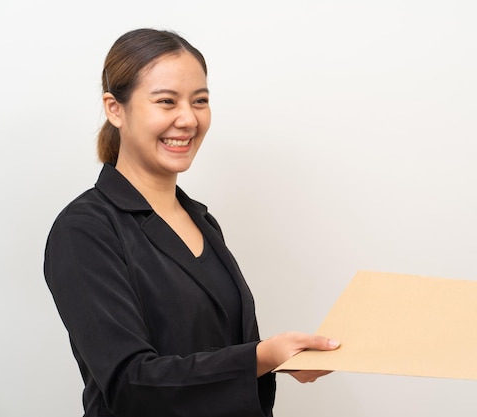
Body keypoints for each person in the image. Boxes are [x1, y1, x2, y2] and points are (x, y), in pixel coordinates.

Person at [43, 28, 339, 417]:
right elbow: (130, 383)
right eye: (166, 101)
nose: (187, 119)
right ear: (115, 108)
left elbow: (213, 348)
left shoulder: (202, 222)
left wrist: (278, 358)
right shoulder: (84, 229)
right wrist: (258, 358)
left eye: (200, 101)